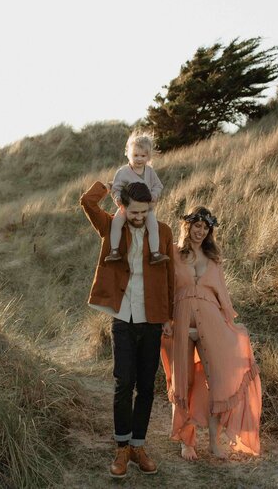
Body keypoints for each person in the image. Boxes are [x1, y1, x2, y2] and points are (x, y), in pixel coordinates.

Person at [80, 180, 175, 478]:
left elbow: (170, 275)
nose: (139, 217)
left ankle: (138, 446)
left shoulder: (164, 232)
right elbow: (87, 202)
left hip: (152, 318)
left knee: (146, 386)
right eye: (134, 212)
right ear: (123, 207)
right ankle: (122, 448)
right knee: (124, 382)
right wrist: (107, 186)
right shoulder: (111, 227)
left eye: (144, 212)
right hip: (122, 316)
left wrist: (169, 316)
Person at [160, 207, 261, 460]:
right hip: (181, 324)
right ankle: (187, 442)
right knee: (184, 382)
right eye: (197, 225)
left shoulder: (213, 259)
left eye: (205, 228)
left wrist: (232, 326)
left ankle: (214, 442)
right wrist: (164, 318)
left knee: (217, 381)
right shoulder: (172, 252)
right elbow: (163, 289)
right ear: (188, 225)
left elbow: (222, 297)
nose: (201, 231)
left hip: (212, 323)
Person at [105, 131, 169, 265]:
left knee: (153, 226)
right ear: (128, 154)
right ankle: (114, 251)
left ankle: (155, 253)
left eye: (143, 155)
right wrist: (117, 198)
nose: (139, 159)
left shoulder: (150, 171)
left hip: (146, 207)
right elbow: (116, 188)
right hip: (126, 207)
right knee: (116, 223)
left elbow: (158, 185)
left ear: (148, 156)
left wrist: (154, 194)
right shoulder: (122, 172)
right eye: (135, 155)